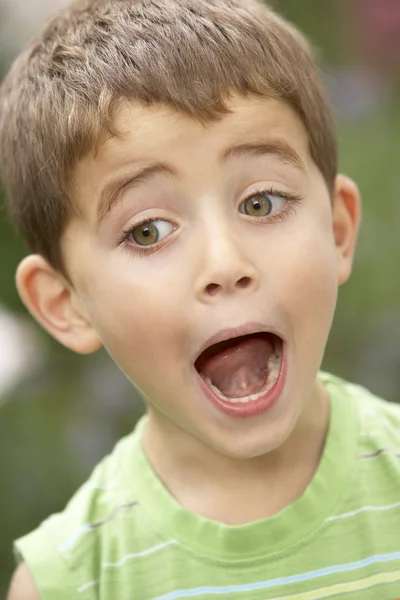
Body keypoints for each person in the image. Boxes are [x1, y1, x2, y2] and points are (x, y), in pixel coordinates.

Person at [1, 0, 399, 598]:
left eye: (261, 202)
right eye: (148, 232)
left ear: (338, 232)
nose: (225, 265)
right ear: (66, 304)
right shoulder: (72, 581)